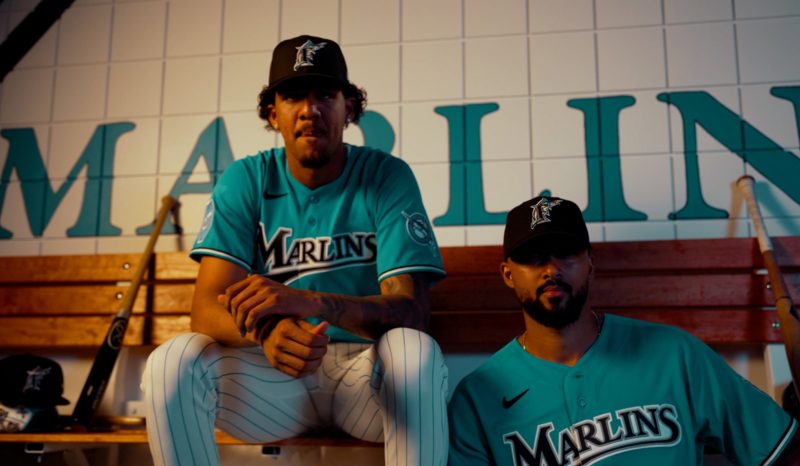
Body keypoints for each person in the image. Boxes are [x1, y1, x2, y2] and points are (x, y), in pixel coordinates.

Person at [142, 35, 449, 466]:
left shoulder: (385, 176)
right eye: (293, 96)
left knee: (414, 352)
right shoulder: (246, 178)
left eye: (325, 94)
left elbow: (413, 313)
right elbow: (206, 308)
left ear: (349, 108)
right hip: (274, 378)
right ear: (273, 112)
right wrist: (267, 330)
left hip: (362, 376)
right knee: (171, 362)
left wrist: (309, 302)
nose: (310, 109)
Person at [448, 195, 800, 465]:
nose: (552, 270)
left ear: (590, 264)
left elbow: (783, 453)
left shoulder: (675, 354)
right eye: (533, 257)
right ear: (508, 274)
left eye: (566, 253)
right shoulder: (476, 399)